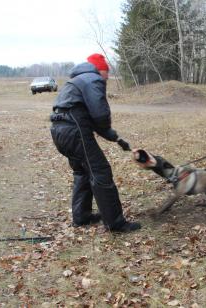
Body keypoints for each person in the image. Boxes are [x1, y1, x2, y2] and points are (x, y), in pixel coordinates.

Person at [50, 53, 141, 232]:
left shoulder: (77, 81)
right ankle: (115, 223)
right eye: (107, 71)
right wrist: (107, 128)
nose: (108, 76)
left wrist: (117, 139)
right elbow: (99, 115)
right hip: (74, 129)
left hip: (59, 130)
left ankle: (81, 216)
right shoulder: (93, 79)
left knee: (82, 172)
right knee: (100, 171)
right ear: (100, 70)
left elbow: (92, 119)